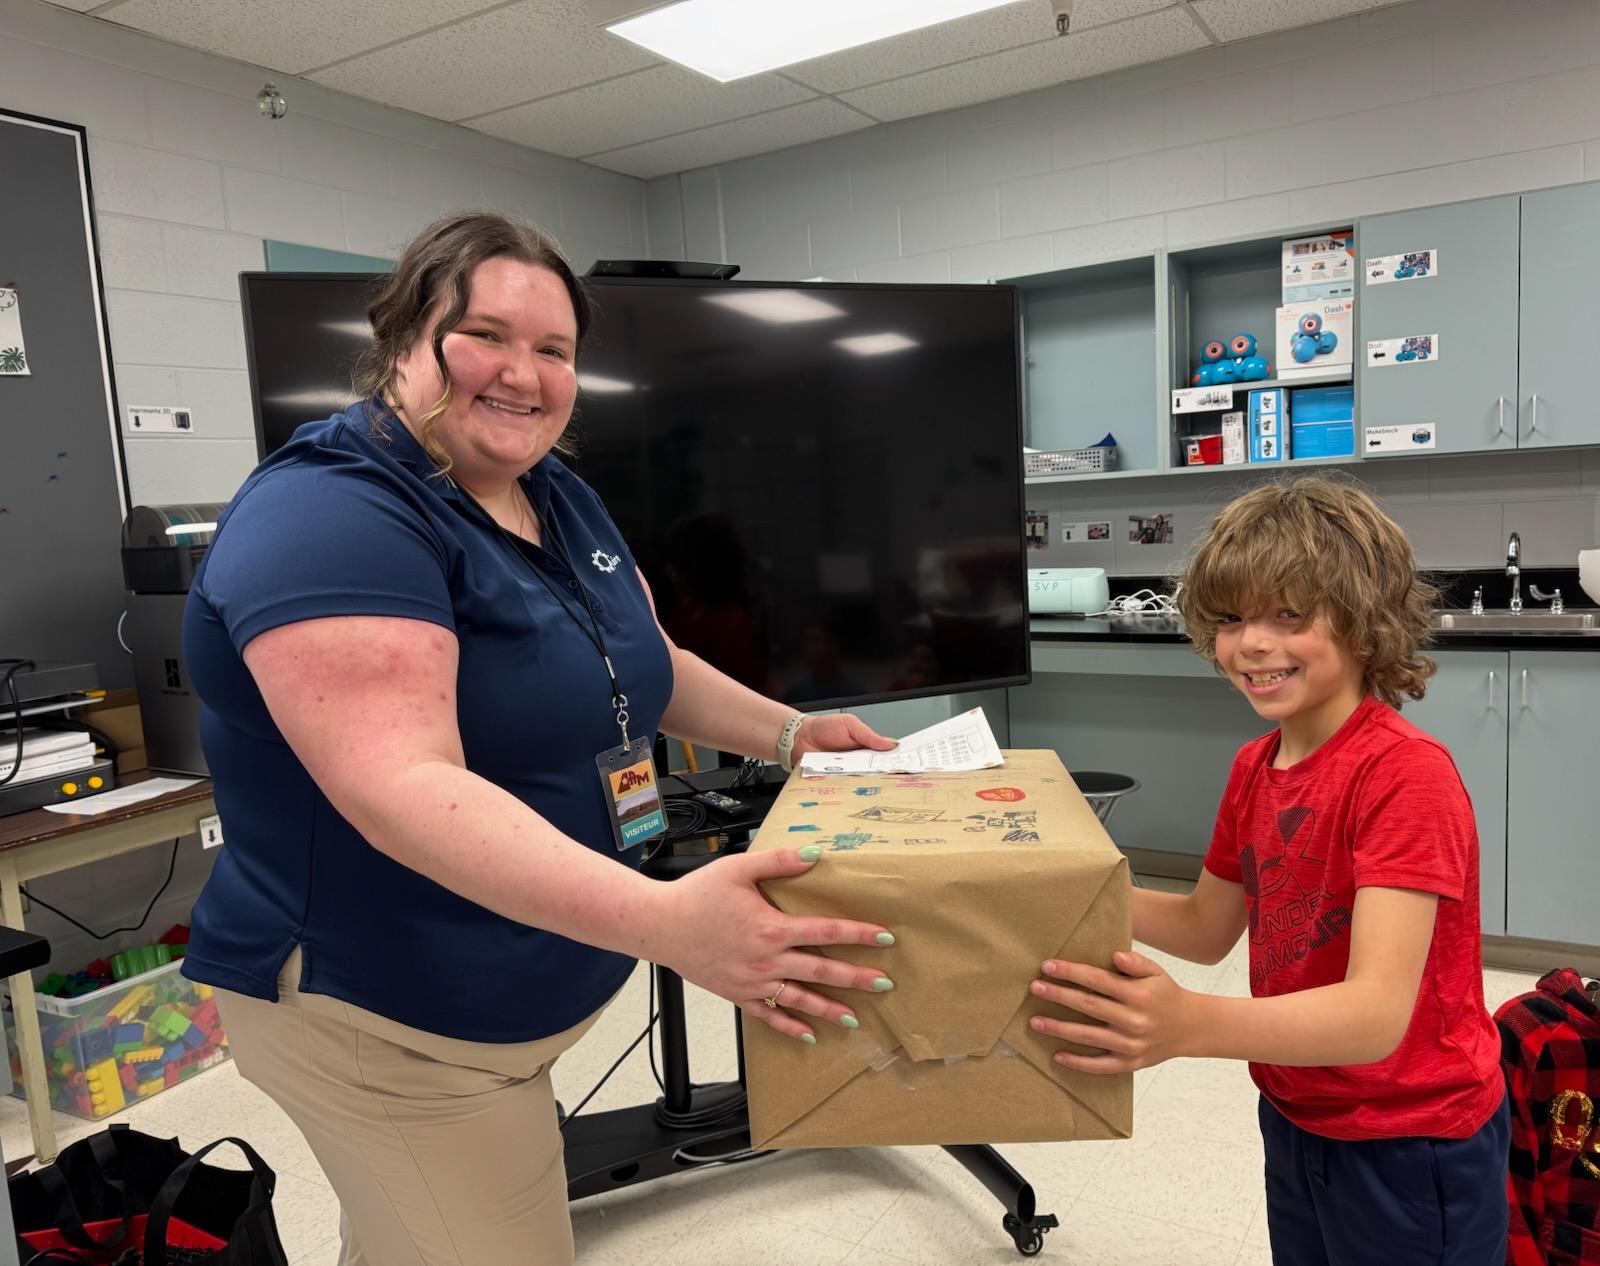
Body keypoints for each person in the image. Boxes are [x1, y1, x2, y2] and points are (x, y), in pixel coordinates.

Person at [179, 211, 899, 1266]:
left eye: (553, 350)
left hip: (501, 988)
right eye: (482, 335)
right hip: (388, 1013)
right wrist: (666, 922)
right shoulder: (331, 516)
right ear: (400, 341)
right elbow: (403, 787)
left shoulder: (548, 491)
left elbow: (642, 665)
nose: (523, 373)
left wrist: (794, 734)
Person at [1027, 476, 1509, 1264]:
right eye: (1230, 617)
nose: (1251, 642)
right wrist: (1072, 886)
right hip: (1296, 1110)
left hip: (1413, 1139)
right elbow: (1206, 928)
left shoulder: (1403, 775)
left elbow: (1374, 1014)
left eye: (1288, 614)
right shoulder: (1256, 766)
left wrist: (1188, 1024)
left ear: (1362, 621)